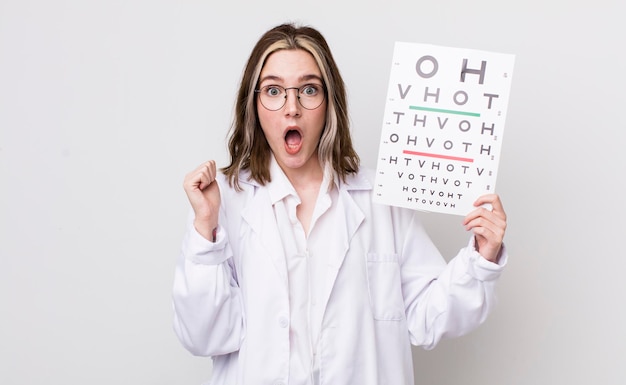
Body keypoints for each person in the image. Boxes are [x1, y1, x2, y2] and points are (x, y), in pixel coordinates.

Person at [172, 22, 507, 385]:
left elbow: (428, 318)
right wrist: (205, 230)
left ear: (330, 102)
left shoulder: (381, 197)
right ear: (253, 104)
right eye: (273, 91)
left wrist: (481, 258)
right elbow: (202, 335)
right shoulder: (226, 199)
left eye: (309, 90)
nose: (292, 109)